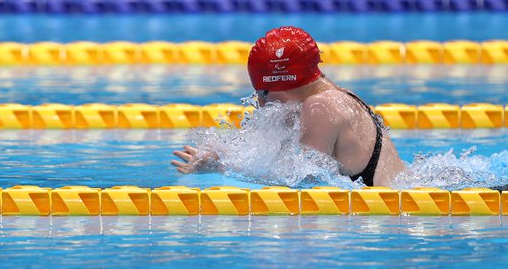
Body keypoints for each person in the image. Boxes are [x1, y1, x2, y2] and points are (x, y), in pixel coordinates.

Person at [172, 26, 406, 187]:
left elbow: (305, 182)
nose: (261, 104)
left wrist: (223, 168)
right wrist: (223, 152)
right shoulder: (335, 97)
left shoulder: (321, 107)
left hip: (381, 221)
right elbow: (281, 161)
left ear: (286, 85)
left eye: (264, 93)